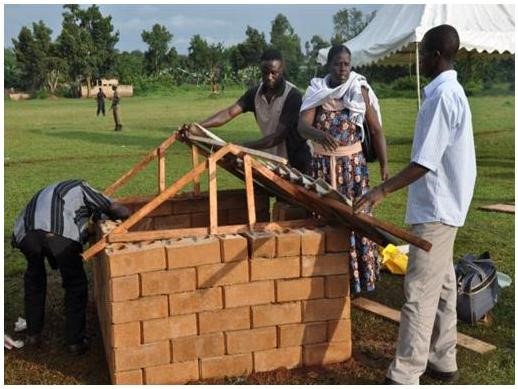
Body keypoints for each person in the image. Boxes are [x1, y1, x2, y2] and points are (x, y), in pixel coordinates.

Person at [354, 25, 476, 384]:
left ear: (436, 55)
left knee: (419, 292)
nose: (420, 58)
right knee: (443, 287)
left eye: (424, 52)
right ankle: (443, 359)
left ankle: (405, 374)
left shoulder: (441, 97)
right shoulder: (451, 91)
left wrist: (381, 191)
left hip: (437, 208)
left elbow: (425, 162)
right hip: (446, 205)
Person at [298, 44, 389, 294]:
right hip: (323, 171)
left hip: (353, 171)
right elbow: (302, 127)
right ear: (329, 65)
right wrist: (317, 133)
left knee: (357, 220)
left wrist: (384, 165)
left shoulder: (359, 89)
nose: (342, 69)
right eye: (337, 63)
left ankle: (358, 280)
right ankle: (326, 279)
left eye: (346, 64)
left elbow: (376, 130)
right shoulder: (317, 90)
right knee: (326, 219)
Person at [11, 179, 131, 355]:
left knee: (34, 282)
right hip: (56, 233)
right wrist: (129, 216)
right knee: (75, 284)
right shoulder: (82, 187)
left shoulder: (51, 190)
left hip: (26, 235)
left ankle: (33, 335)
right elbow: (113, 208)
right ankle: (76, 342)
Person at [185, 49, 311, 174]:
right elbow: (229, 113)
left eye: (274, 73)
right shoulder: (254, 94)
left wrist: (243, 147)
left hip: (298, 160)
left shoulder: (292, 96)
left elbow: (277, 137)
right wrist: (199, 126)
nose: (269, 77)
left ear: (282, 70)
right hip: (275, 161)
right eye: (265, 72)